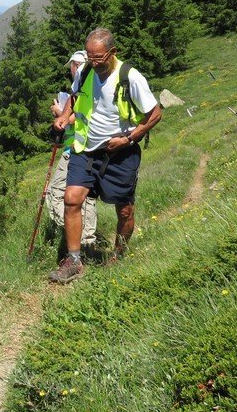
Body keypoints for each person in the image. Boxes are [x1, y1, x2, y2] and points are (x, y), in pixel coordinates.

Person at [48, 28, 162, 284]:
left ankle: (118, 255)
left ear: (112, 52)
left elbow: (155, 114)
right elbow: (75, 97)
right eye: (90, 56)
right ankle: (74, 260)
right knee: (72, 199)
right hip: (86, 148)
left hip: (120, 151)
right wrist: (65, 117)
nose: (94, 61)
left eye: (99, 56)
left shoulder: (130, 77)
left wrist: (130, 138)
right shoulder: (87, 71)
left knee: (124, 210)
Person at [47, 50, 98, 248]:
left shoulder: (83, 90)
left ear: (77, 65)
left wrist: (60, 113)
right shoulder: (95, 86)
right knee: (87, 197)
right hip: (90, 148)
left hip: (75, 149)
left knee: (55, 194)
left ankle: (76, 234)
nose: (71, 69)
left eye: (72, 65)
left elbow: (75, 119)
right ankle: (88, 241)